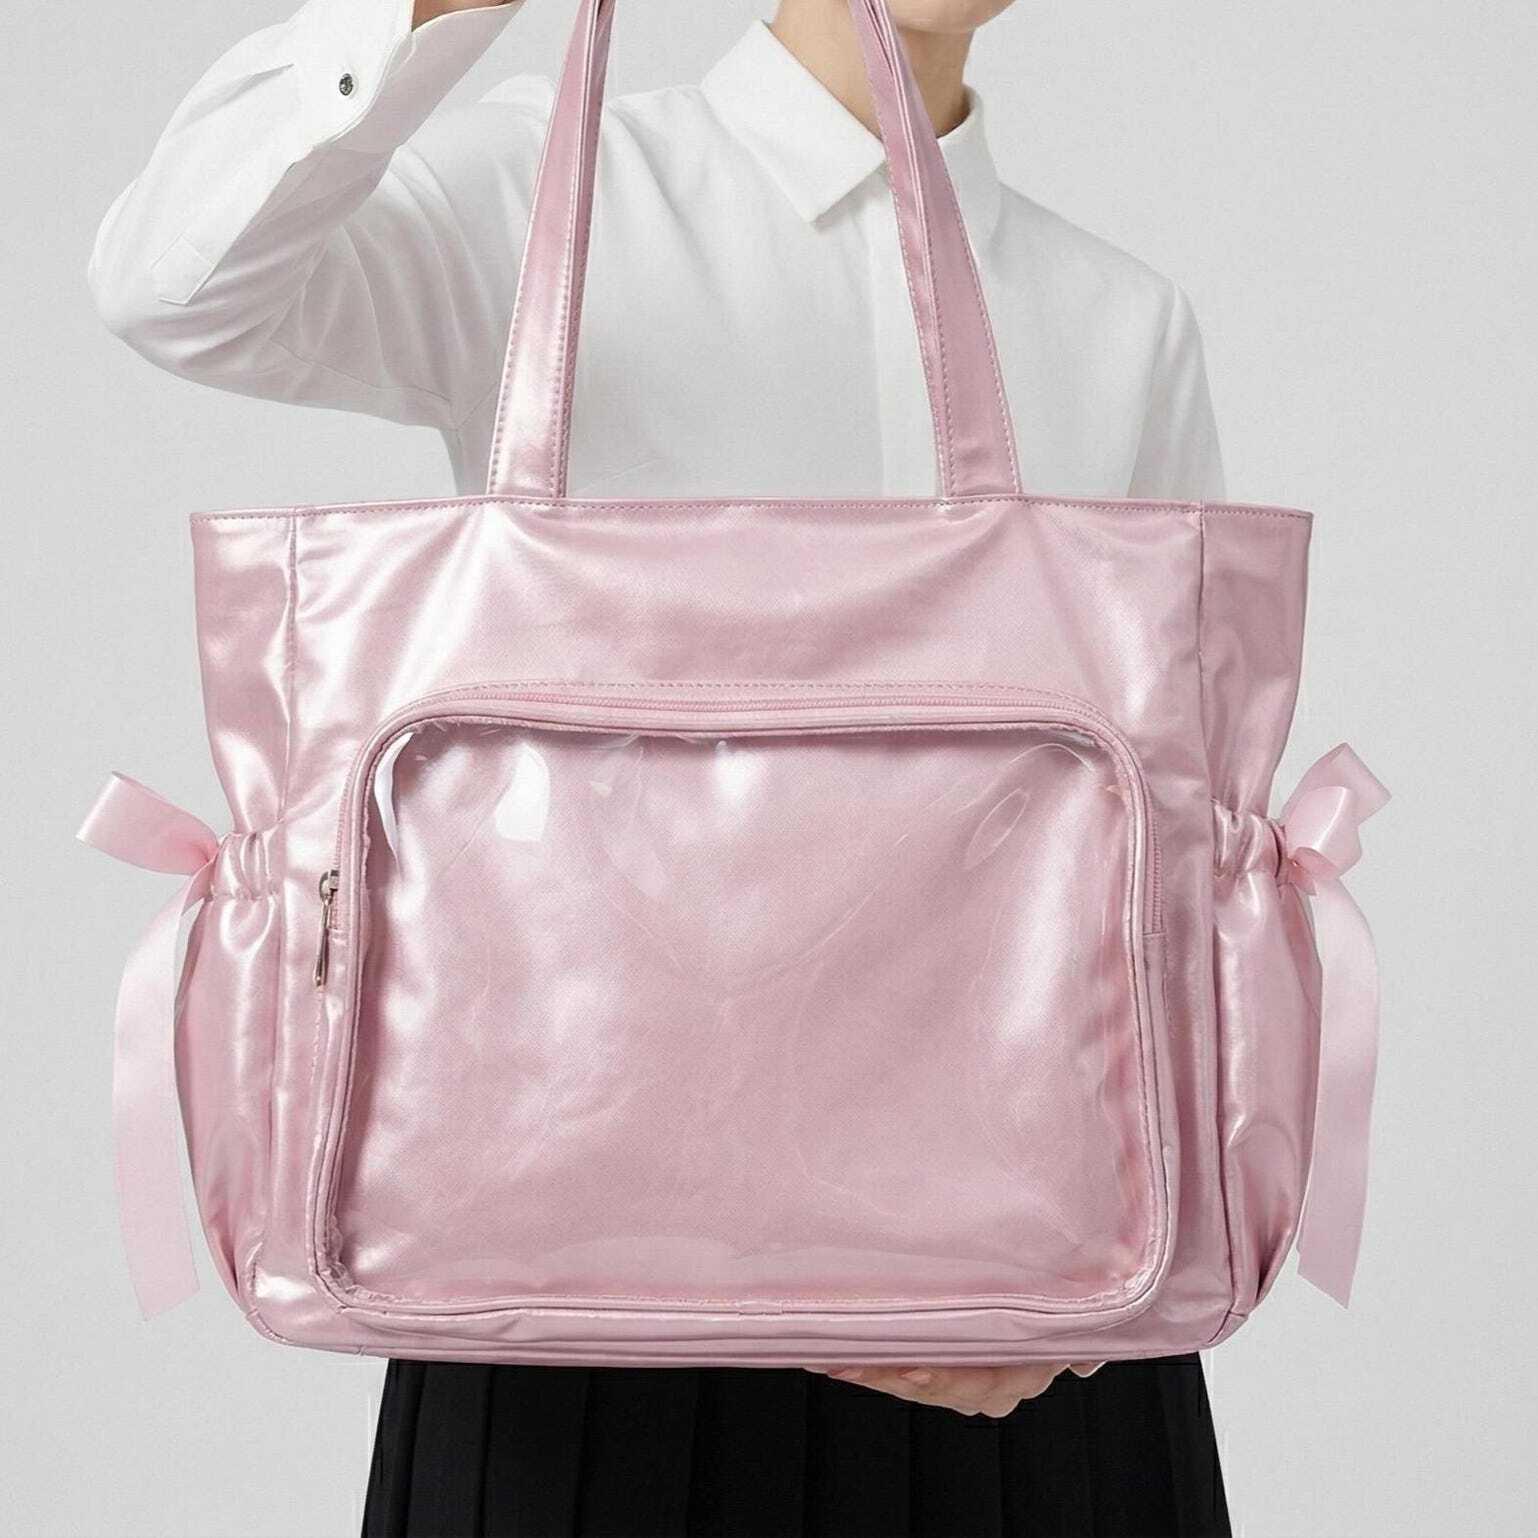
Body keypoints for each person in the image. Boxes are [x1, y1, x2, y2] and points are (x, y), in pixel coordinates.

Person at [88, 1, 1232, 1533]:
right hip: (560, 1317)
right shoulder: (541, 190)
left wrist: (1087, 1304)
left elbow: (1164, 855)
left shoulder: (1116, 319)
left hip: (1034, 1319)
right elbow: (175, 291)